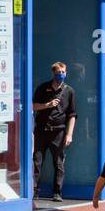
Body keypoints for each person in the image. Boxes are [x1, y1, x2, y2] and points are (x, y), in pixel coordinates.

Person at [32, 61, 76, 201]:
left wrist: (69, 134)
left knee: (58, 163)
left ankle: (57, 192)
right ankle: (35, 191)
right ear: (53, 73)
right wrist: (48, 105)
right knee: (37, 161)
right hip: (41, 130)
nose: (61, 75)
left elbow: (72, 115)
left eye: (63, 72)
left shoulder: (69, 91)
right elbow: (33, 106)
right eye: (58, 72)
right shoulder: (43, 88)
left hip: (59, 132)